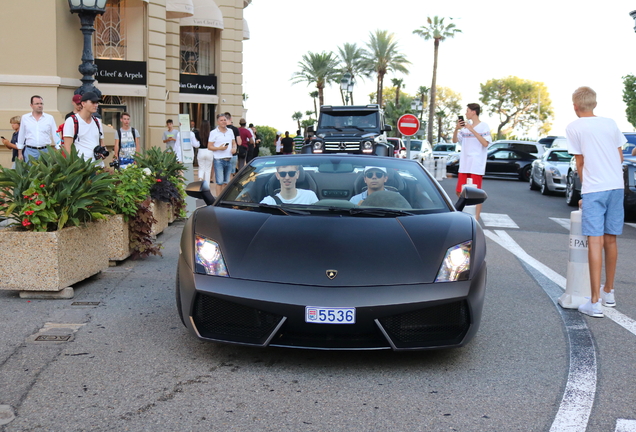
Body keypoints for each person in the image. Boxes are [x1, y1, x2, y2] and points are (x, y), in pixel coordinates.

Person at [566, 86, 625, 318]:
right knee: (611, 240)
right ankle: (608, 292)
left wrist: (585, 193)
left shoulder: (574, 127)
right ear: (595, 104)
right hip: (616, 186)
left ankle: (594, 301)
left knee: (594, 241)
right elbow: (619, 155)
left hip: (595, 189)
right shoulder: (610, 123)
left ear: (575, 106)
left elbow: (580, 162)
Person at [452, 103, 492, 221]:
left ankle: (476, 220)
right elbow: (455, 141)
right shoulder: (464, 128)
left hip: (476, 165)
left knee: (476, 194)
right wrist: (456, 129)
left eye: (467, 111)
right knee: (459, 191)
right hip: (464, 164)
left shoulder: (484, 126)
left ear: (474, 112)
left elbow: (485, 143)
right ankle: (465, 215)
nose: (465, 113)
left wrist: (472, 130)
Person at [62, 91, 105, 165]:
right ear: (83, 103)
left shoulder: (97, 121)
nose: (96, 105)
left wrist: (103, 152)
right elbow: (68, 147)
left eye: (97, 103)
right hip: (81, 167)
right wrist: (72, 166)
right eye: (93, 102)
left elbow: (102, 143)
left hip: (98, 166)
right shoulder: (71, 121)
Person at [16, 95, 58, 164]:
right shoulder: (25, 118)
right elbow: (21, 135)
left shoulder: (49, 118)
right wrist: (20, 153)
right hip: (30, 150)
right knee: (30, 172)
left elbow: (55, 133)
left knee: (46, 173)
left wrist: (58, 149)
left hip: (46, 150)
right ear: (31, 105)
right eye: (37, 104)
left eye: (41, 103)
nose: (39, 105)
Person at [208, 113, 237, 196]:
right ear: (218, 122)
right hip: (218, 160)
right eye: (221, 120)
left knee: (227, 182)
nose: (223, 122)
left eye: (225, 120)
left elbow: (234, 143)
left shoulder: (230, 131)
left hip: (229, 159)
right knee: (219, 182)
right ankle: (218, 200)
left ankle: (224, 200)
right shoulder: (213, 132)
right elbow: (209, 146)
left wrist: (234, 148)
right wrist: (219, 148)